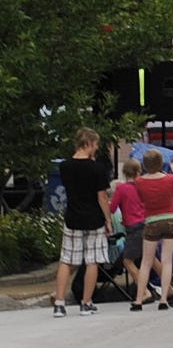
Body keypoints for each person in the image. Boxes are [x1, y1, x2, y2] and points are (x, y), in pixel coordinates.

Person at [52, 128, 112, 317]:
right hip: (93, 218)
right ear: (88, 143)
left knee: (66, 260)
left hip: (73, 216)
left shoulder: (65, 166)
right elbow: (102, 196)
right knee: (92, 261)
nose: (96, 149)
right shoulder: (97, 169)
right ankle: (86, 303)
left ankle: (59, 303)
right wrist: (108, 219)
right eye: (95, 145)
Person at [131, 148, 173, 311]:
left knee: (147, 261)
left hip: (151, 220)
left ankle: (139, 299)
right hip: (170, 218)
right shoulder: (169, 179)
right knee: (167, 260)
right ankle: (164, 299)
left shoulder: (139, 182)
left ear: (144, 165)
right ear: (162, 163)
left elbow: (140, 199)